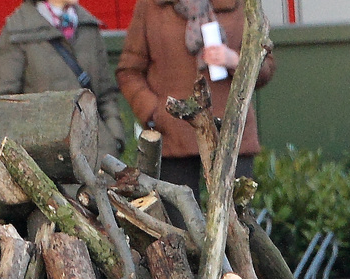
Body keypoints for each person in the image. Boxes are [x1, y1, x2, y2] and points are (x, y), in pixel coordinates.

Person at [116, 0, 275, 196]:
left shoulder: (242, 4)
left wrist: (235, 60)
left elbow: (266, 68)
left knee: (235, 221)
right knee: (180, 223)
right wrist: (154, 112)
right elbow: (129, 71)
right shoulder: (151, 5)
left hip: (231, 134)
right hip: (173, 135)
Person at [0, 0, 126, 159]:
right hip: (47, 158)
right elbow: (2, 103)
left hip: (98, 155)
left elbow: (106, 94)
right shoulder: (17, 31)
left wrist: (115, 139)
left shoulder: (87, 26)